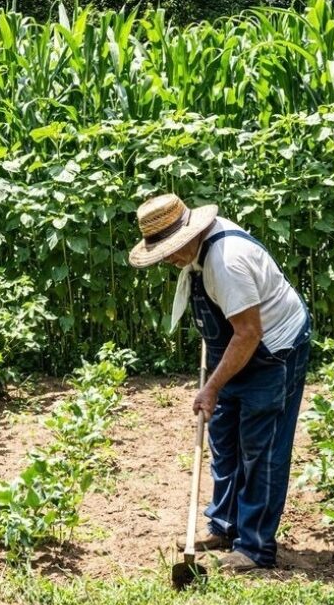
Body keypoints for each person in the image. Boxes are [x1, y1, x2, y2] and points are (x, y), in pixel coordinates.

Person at [128, 193, 311, 572]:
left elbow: (248, 332)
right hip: (240, 347)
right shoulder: (199, 255)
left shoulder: (226, 262)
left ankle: (255, 547)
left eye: (171, 251)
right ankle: (224, 527)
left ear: (189, 235)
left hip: (274, 351)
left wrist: (211, 386)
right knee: (224, 438)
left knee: (261, 449)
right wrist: (216, 378)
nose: (169, 260)